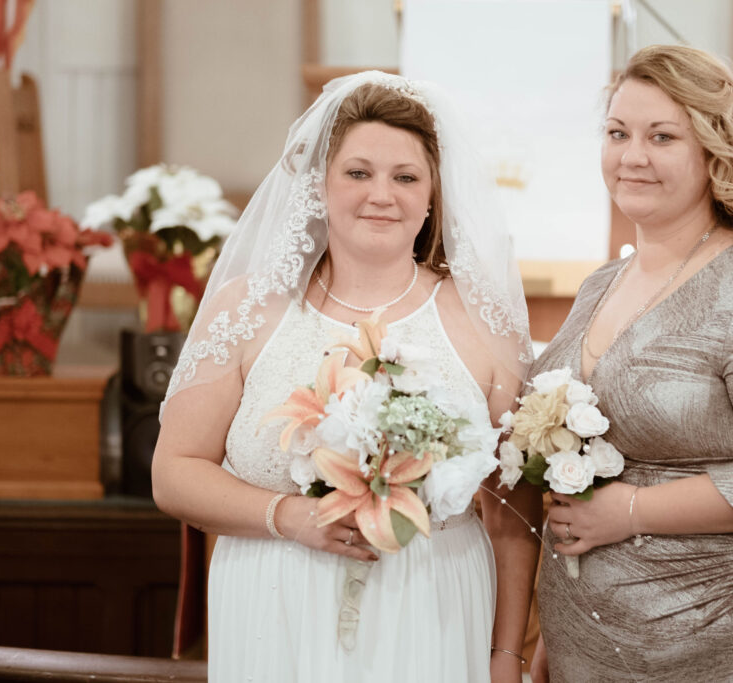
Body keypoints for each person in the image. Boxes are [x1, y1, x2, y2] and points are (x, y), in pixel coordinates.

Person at [151, 72, 542, 683]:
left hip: (432, 602)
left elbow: (514, 511)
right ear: (319, 185)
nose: (381, 195)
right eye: (358, 172)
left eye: (405, 177)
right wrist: (291, 516)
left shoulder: (484, 324)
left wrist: (505, 655)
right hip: (273, 602)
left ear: (434, 193)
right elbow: (173, 474)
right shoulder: (247, 309)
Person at [530, 45, 733, 682]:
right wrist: (558, 624)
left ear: (712, 150)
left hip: (726, 640)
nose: (633, 156)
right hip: (589, 644)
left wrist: (628, 513)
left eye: (662, 137)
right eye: (618, 133)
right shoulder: (602, 284)